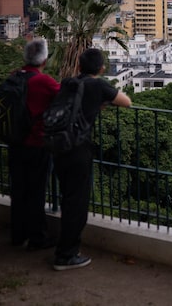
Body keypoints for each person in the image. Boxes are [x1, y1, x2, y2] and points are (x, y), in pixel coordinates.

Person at [52, 47, 131, 271]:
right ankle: (66, 255)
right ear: (102, 68)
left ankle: (64, 249)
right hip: (78, 149)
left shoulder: (68, 83)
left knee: (67, 198)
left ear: (78, 66)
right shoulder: (97, 85)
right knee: (77, 203)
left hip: (59, 145)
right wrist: (101, 102)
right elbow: (126, 102)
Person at [8, 38, 61, 250]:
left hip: (15, 141)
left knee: (18, 189)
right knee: (37, 191)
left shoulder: (14, 77)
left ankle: (18, 235)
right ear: (44, 60)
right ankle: (37, 236)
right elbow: (64, 97)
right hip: (36, 142)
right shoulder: (43, 81)